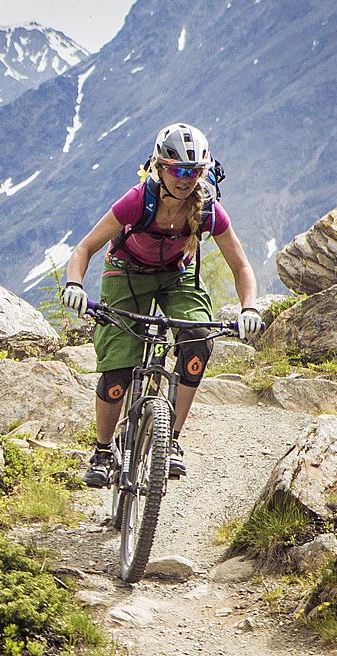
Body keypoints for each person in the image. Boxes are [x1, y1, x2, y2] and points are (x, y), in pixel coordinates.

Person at [59, 123, 263, 487]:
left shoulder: (207, 210)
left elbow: (241, 265)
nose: (187, 179)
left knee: (198, 340)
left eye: (195, 171)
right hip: (127, 273)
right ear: (160, 167)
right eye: (179, 170)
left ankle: (170, 442)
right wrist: (74, 285)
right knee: (119, 369)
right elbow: (84, 248)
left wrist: (249, 308)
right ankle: (103, 451)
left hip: (176, 275)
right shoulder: (138, 201)